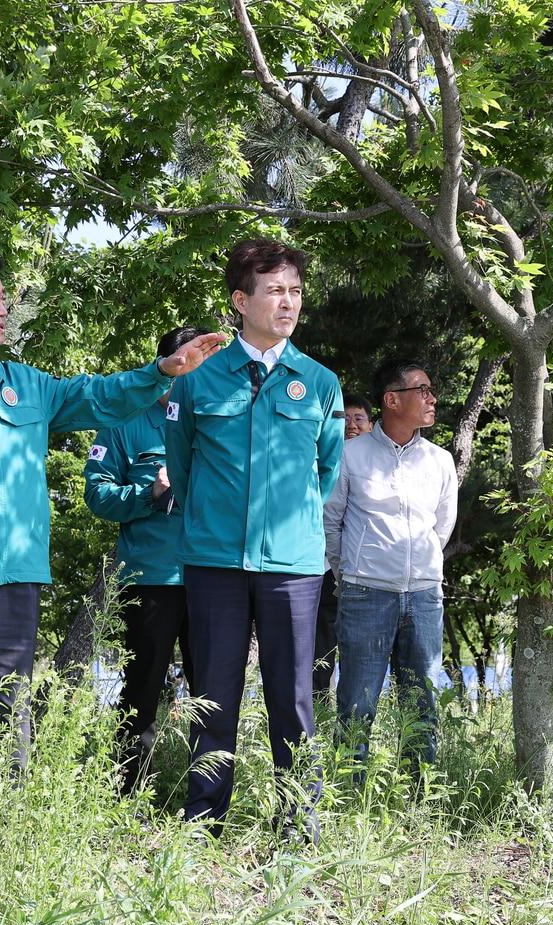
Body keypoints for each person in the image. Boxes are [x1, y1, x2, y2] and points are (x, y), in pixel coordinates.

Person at [0, 248, 221, 766]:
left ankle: (3, 829)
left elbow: (98, 397)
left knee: (8, 711)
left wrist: (162, 371)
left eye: (6, 298)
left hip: (16, 574)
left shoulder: (25, 384)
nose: (5, 308)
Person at [165, 238, 344, 838]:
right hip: (214, 559)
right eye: (274, 291)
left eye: (295, 291)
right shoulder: (198, 378)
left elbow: (325, 471)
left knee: (293, 698)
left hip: (292, 563)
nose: (288, 302)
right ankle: (203, 821)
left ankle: (299, 826)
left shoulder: (320, 383)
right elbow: (182, 463)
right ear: (241, 300)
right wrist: (213, 519)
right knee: (213, 694)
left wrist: (287, 526)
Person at [84, 325, 205, 794]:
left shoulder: (219, 421)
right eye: (189, 363)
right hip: (152, 578)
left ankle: (206, 801)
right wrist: (149, 491)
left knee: (212, 694)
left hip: (213, 575)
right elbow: (97, 496)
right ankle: (127, 797)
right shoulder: (124, 421)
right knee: (140, 692)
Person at [325, 361, 457, 788]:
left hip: (423, 596)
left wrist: (422, 569)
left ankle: (420, 797)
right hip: (366, 593)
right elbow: (331, 522)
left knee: (422, 701)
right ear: (392, 399)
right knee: (357, 701)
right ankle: (350, 794)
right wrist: (350, 574)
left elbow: (442, 525)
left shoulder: (440, 460)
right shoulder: (351, 455)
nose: (432, 399)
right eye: (424, 390)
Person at [313, 392, 375, 695]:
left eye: (358, 418)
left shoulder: (379, 465)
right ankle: (317, 710)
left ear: (372, 425)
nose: (351, 424)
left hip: (365, 569)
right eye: (344, 418)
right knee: (320, 642)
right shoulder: (321, 458)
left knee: (360, 648)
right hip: (323, 564)